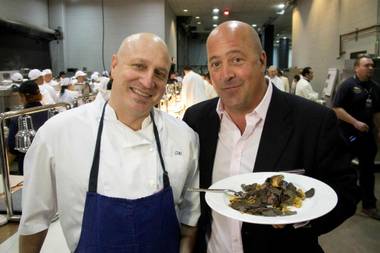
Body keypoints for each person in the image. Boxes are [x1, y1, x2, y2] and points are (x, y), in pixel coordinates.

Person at [183, 20, 359, 253]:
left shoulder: (313, 120)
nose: (226, 74)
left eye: (237, 59)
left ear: (262, 60)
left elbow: (345, 192)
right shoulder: (196, 119)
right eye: (216, 64)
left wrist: (299, 217)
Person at [19, 33, 200, 253]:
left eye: (159, 73)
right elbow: (33, 223)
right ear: (114, 65)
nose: (147, 81)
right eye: (139, 66)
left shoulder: (184, 137)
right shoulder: (57, 134)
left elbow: (190, 221)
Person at [332, 54, 380, 220]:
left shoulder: (375, 87)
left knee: (368, 171)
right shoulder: (347, 86)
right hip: (348, 136)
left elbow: (376, 113)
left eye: (372, 65)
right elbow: (337, 109)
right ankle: (340, 200)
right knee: (343, 169)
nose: (370, 68)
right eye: (367, 65)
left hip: (367, 137)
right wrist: (355, 123)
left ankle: (369, 205)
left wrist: (378, 132)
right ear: (357, 68)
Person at [7, 80, 49, 175]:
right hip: (48, 166)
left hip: (28, 170)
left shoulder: (18, 119)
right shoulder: (50, 113)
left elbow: (12, 151)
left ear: (22, 97)